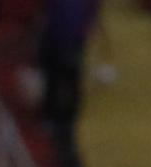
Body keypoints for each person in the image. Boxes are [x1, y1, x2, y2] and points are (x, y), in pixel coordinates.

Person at [38, 0, 106, 128]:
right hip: (56, 34)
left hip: (72, 37)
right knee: (54, 76)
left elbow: (93, 9)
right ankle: (52, 114)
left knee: (70, 77)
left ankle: (68, 116)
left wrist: (90, 25)